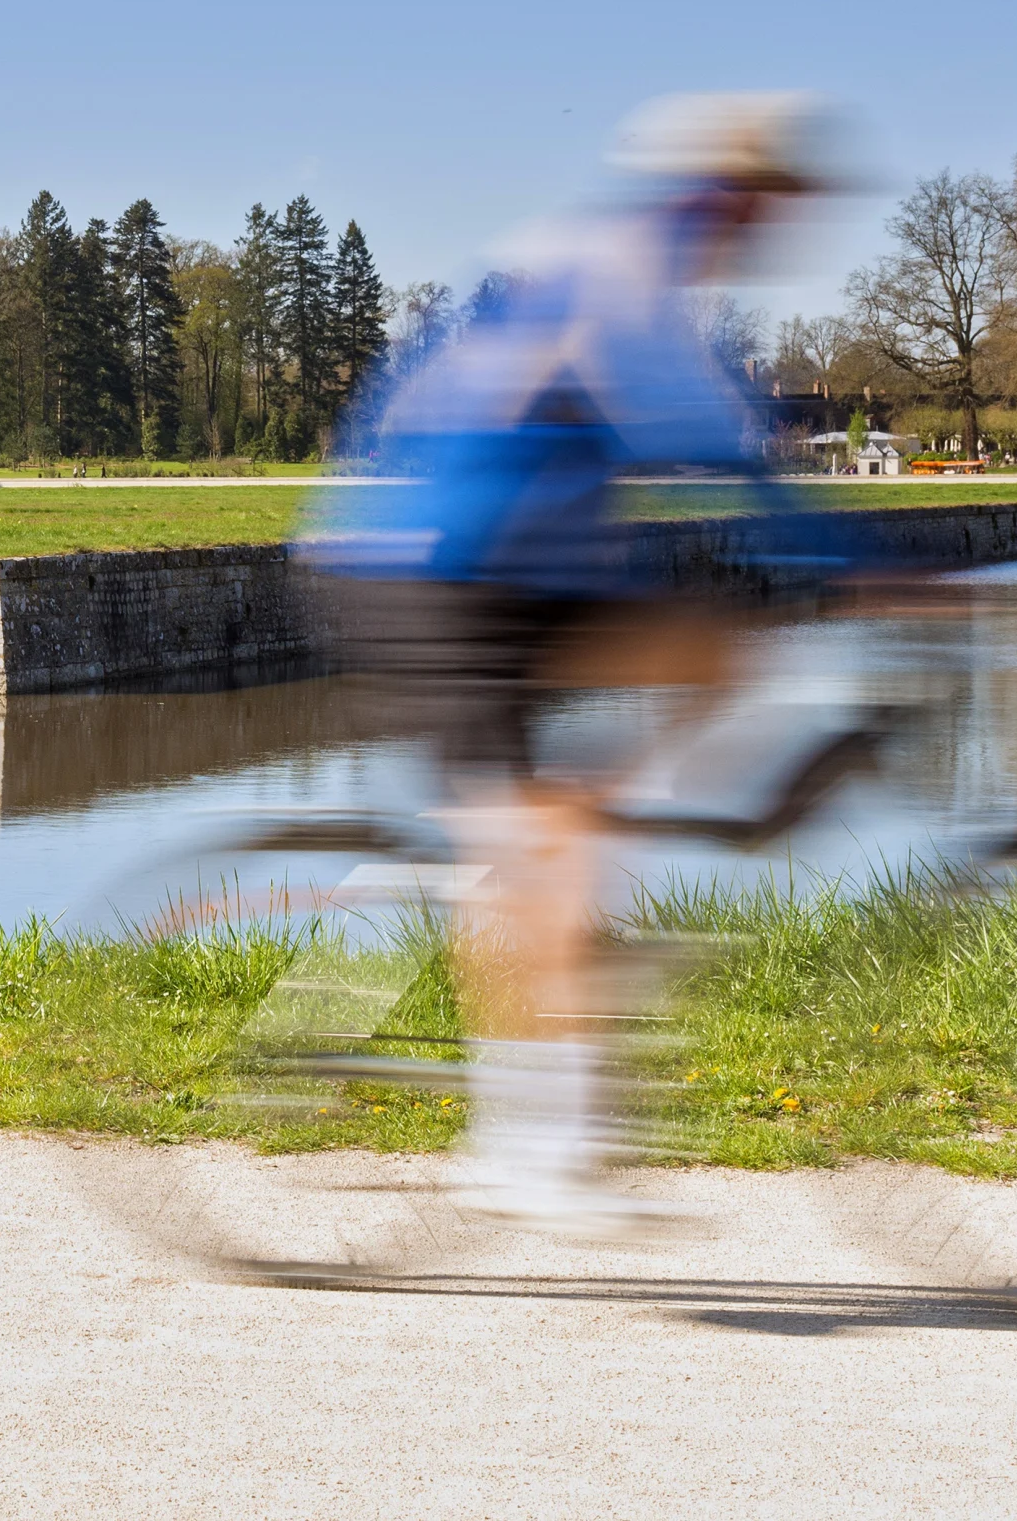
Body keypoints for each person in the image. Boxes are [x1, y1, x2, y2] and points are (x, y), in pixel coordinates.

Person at [308, 91, 850, 1233]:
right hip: (433, 575)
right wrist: (861, 557)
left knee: (715, 657)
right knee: (543, 851)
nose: (772, 223)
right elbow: (718, 450)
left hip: (529, 569)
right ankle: (527, 1151)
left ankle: (572, 839)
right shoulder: (619, 269)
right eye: (764, 198)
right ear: (722, 193)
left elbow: (716, 435)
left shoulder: (631, 270)